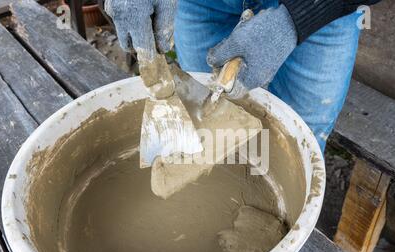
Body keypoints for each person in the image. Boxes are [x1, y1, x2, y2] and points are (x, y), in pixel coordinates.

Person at [104, 0, 380, 151]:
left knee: (300, 138)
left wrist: (300, 17)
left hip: (323, 12)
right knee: (206, 119)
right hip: (202, 4)